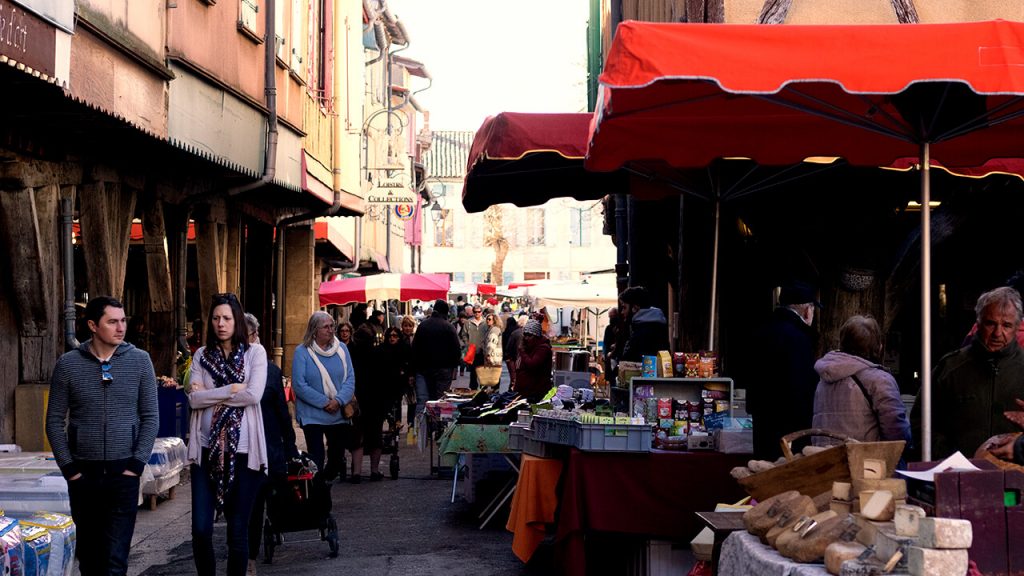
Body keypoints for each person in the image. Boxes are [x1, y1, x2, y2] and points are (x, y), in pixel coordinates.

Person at [46, 296, 159, 576]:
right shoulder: (68, 364)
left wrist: (136, 466)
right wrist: (70, 470)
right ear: (93, 326)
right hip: (84, 474)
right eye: (112, 322)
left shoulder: (140, 361)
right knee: (90, 560)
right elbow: (53, 421)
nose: (121, 328)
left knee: (115, 561)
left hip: (124, 474)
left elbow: (151, 417)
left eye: (123, 321)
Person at [187, 293, 268, 576]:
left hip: (245, 453)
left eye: (227, 318)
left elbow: (253, 395)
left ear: (237, 321)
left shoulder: (255, 353)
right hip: (206, 451)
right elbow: (193, 401)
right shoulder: (201, 355)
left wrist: (208, 394)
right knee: (200, 529)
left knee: (237, 531)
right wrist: (231, 389)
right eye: (216, 318)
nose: (221, 324)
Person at [914, 286, 1024, 459]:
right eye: (990, 323)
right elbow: (922, 421)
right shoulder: (950, 367)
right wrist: (948, 458)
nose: (997, 333)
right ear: (978, 323)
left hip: (1016, 477)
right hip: (958, 473)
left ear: (1017, 326)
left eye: (1006, 325)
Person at [244, 313, 298, 575]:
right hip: (238, 448)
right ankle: (248, 553)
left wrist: (290, 447)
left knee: (259, 503)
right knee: (246, 506)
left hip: (266, 446)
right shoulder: (225, 368)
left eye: (247, 336)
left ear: (256, 336)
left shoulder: (270, 370)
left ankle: (251, 554)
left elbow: (281, 412)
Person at [745, 281, 821, 461]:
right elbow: (801, 387)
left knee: (765, 472)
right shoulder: (800, 338)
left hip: (763, 419)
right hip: (791, 425)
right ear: (807, 310)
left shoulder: (760, 331)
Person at [812, 315, 911, 445]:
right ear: (878, 346)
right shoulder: (879, 380)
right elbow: (897, 434)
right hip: (865, 461)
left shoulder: (823, 379)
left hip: (826, 460)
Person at [292, 312, 354, 484]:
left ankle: (323, 482)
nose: (331, 330)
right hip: (312, 415)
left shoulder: (342, 349)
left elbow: (350, 379)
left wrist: (338, 401)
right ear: (314, 330)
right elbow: (299, 384)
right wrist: (325, 402)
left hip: (337, 414)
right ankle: (317, 496)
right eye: (326, 327)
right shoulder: (302, 352)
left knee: (336, 460)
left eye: (332, 326)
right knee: (316, 458)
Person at [348, 310, 385, 483]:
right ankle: (374, 470)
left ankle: (356, 472)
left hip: (357, 396)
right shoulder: (378, 353)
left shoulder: (351, 353)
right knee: (375, 433)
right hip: (375, 395)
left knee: (357, 434)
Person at [412, 299, 462, 415]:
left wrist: (414, 370)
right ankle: (438, 428)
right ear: (445, 312)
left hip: (424, 369)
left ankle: (421, 429)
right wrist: (454, 368)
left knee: (424, 400)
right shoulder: (449, 327)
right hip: (444, 370)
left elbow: (415, 349)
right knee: (440, 401)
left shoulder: (423, 326)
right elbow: (456, 351)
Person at [618, 286, 670, 362]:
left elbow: (630, 360)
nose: (622, 312)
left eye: (624, 307)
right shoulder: (657, 326)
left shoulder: (641, 332)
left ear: (635, 308)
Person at [514, 319, 553, 402]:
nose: (526, 338)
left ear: (537, 336)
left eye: (530, 335)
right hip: (524, 391)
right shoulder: (528, 347)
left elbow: (532, 364)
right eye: (525, 335)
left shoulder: (543, 348)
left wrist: (523, 352)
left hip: (535, 393)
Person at [465, 304, 487, 389]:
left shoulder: (486, 322)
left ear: (481, 312)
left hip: (482, 350)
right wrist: (467, 344)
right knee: (473, 372)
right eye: (475, 312)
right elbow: (463, 334)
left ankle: (483, 389)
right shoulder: (468, 322)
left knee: (482, 371)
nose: (477, 313)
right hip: (472, 350)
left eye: (479, 312)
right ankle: (473, 389)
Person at [480, 311, 504, 389]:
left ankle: (493, 393)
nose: (487, 321)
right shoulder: (490, 329)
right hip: (493, 356)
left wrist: (488, 354)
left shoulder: (494, 329)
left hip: (493, 356)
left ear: (494, 320)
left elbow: (491, 343)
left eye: (489, 319)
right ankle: (491, 392)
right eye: (487, 319)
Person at [504, 315, 525, 388]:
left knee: (514, 379)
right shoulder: (530, 334)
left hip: (515, 358)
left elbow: (509, 347)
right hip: (524, 359)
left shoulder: (515, 333)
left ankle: (511, 392)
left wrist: (507, 357)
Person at [602, 307, 623, 383]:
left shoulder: (621, 327)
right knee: (610, 379)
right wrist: (604, 354)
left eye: (613, 316)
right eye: (610, 317)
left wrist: (616, 345)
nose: (611, 318)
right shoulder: (608, 328)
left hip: (617, 357)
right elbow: (605, 342)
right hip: (609, 357)